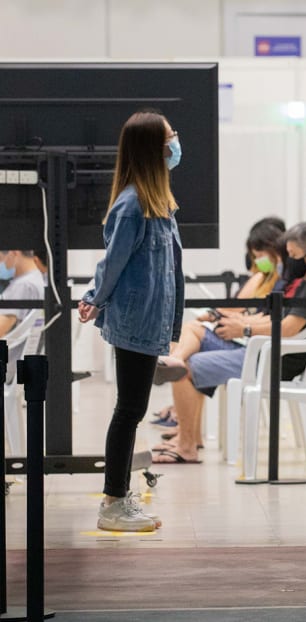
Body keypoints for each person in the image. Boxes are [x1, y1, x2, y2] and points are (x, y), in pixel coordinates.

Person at [77, 110, 185, 532]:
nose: (176, 144)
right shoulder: (131, 204)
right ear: (153, 149)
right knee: (129, 410)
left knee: (132, 409)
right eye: (171, 137)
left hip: (149, 321)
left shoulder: (158, 203)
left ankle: (118, 499)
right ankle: (114, 503)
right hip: (135, 321)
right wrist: (94, 299)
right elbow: (114, 263)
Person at [151, 221, 306, 464]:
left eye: (293, 256)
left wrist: (245, 328)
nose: (288, 262)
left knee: (187, 368)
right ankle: (188, 435)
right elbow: (274, 318)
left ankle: (186, 446)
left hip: (270, 360)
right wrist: (241, 323)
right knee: (192, 336)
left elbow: (289, 329)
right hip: (262, 351)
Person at [0, 250, 45, 338]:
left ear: (14, 253)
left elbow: (2, 326)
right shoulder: (38, 278)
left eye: (1, 258)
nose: (2, 263)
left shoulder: (23, 285)